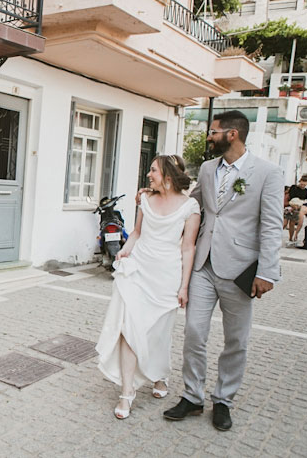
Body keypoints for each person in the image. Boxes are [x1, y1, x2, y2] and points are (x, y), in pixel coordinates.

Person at [163, 110, 283, 431]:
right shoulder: (206, 168)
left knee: (236, 340)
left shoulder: (268, 173)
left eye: (213, 132)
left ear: (232, 134)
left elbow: (272, 225)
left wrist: (267, 272)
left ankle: (223, 400)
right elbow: (194, 205)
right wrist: (158, 198)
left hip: (241, 269)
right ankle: (192, 395)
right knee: (194, 332)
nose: (208, 137)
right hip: (203, 264)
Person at [96, 154, 200, 420]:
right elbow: (138, 232)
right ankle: (127, 392)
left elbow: (188, 247)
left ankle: (159, 374)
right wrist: (124, 251)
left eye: (152, 170)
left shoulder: (190, 207)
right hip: (138, 271)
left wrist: (184, 287)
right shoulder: (144, 199)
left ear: (167, 175)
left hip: (166, 276)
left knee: (158, 334)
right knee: (128, 330)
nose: (148, 175)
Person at [284, 177, 307, 244]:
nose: (302, 185)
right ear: (299, 182)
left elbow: (304, 199)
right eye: (301, 184)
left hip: (297, 207)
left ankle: (291, 238)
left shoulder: (306, 191)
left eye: (304, 184)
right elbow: (291, 196)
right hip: (290, 206)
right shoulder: (294, 187)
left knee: (292, 223)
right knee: (284, 223)